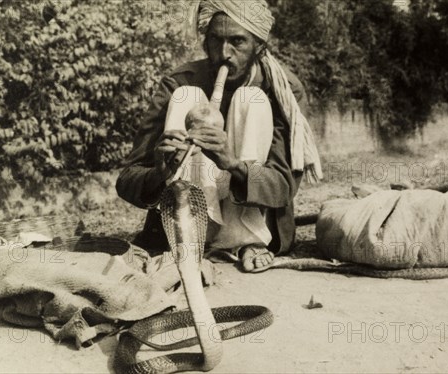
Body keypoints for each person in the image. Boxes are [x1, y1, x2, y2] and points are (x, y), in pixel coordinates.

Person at [116, 0, 322, 271]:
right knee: (187, 96)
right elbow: (128, 179)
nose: (225, 53)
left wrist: (233, 164)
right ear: (205, 42)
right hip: (188, 223)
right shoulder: (181, 81)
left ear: (259, 46)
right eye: (215, 40)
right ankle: (189, 234)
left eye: (237, 41)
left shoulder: (283, 90)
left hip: (255, 224)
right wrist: (160, 171)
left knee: (252, 99)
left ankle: (248, 240)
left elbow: (283, 185)